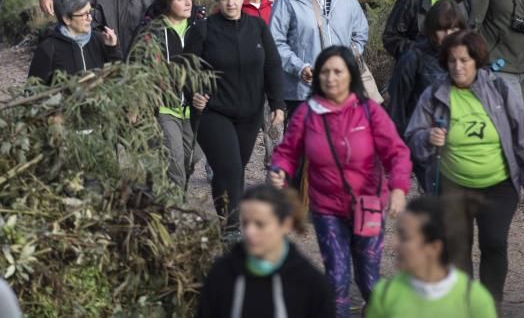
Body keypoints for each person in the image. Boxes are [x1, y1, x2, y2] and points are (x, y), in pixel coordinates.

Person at [269, 46, 412, 318]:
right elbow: (287, 152)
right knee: (336, 279)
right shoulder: (307, 113)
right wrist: (280, 170)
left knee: (369, 280)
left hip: (368, 206)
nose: (331, 78)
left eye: (338, 71)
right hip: (327, 209)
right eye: (325, 72)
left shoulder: (369, 112)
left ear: (351, 76)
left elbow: (397, 152)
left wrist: (398, 189)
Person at [405, 30, 524, 307]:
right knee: (457, 249)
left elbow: (523, 135)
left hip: (498, 184)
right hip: (453, 184)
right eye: (453, 60)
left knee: (493, 243)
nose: (458, 66)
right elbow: (412, 138)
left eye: (465, 60)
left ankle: (489, 306)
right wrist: (427, 138)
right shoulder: (435, 95)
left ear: (477, 61)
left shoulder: (499, 89)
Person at [191, 0, 285, 235]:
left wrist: (277, 102)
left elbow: (272, 64)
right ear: (217, 1)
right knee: (231, 167)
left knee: (231, 170)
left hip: (250, 112)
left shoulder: (257, 27)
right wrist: (194, 93)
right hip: (214, 112)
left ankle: (224, 218)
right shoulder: (204, 30)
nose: (231, 3)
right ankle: (232, 230)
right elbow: (186, 69)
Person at [270, 0, 369, 119]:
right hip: (303, 91)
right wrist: (299, 67)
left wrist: (351, 55)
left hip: (341, 88)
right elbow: (275, 41)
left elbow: (360, 31)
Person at [198, 185, 335, 318]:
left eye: (260, 224)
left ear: (286, 224)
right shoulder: (222, 274)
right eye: (245, 223)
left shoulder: (311, 284)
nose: (250, 232)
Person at [365, 195, 497, 318]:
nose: (395, 244)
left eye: (404, 237)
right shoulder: (384, 294)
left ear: (434, 247)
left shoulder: (475, 301)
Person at [130, 0, 205, 188]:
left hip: (194, 109)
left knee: (191, 158)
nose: (188, 2)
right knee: (175, 163)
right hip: (164, 107)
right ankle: (175, 211)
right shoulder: (151, 32)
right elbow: (136, 69)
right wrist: (135, 105)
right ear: (166, 2)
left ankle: (160, 195)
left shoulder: (199, 28)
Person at [387, 0, 467, 139]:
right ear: (432, 30)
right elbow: (396, 109)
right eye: (442, 29)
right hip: (420, 138)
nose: (448, 35)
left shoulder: (468, 59)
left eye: (453, 29)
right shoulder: (413, 57)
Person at [27, 0, 121, 85]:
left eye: (90, 12)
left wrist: (112, 49)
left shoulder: (101, 39)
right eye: (84, 14)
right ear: (66, 19)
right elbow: (33, 89)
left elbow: (117, 79)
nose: (90, 18)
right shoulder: (48, 48)